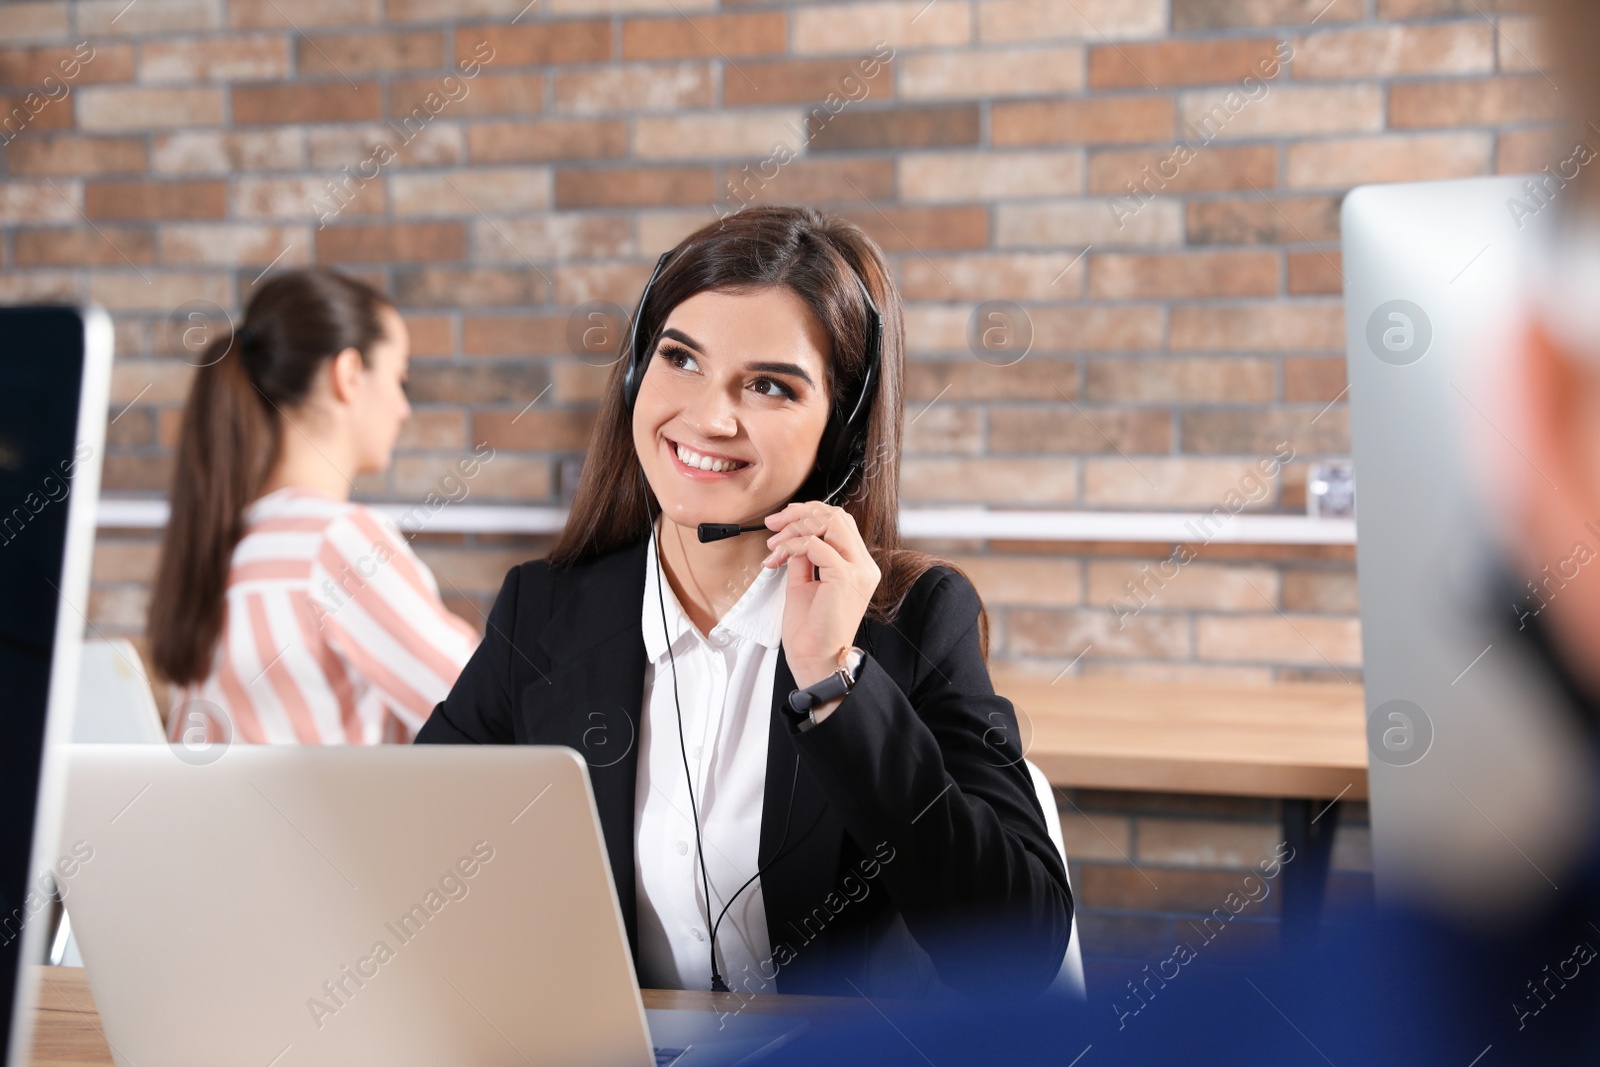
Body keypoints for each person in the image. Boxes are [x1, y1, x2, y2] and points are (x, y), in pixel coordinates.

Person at [415, 205, 1073, 999]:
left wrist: (834, 683)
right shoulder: (546, 612)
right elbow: (417, 861)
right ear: (634, 376)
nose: (708, 417)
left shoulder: (912, 621)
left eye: (769, 385)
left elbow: (1017, 946)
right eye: (680, 360)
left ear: (840, 431)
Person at [146, 267, 478, 747]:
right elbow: (490, 710)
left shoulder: (226, 543)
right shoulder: (338, 544)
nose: (404, 408)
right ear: (348, 375)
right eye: (399, 378)